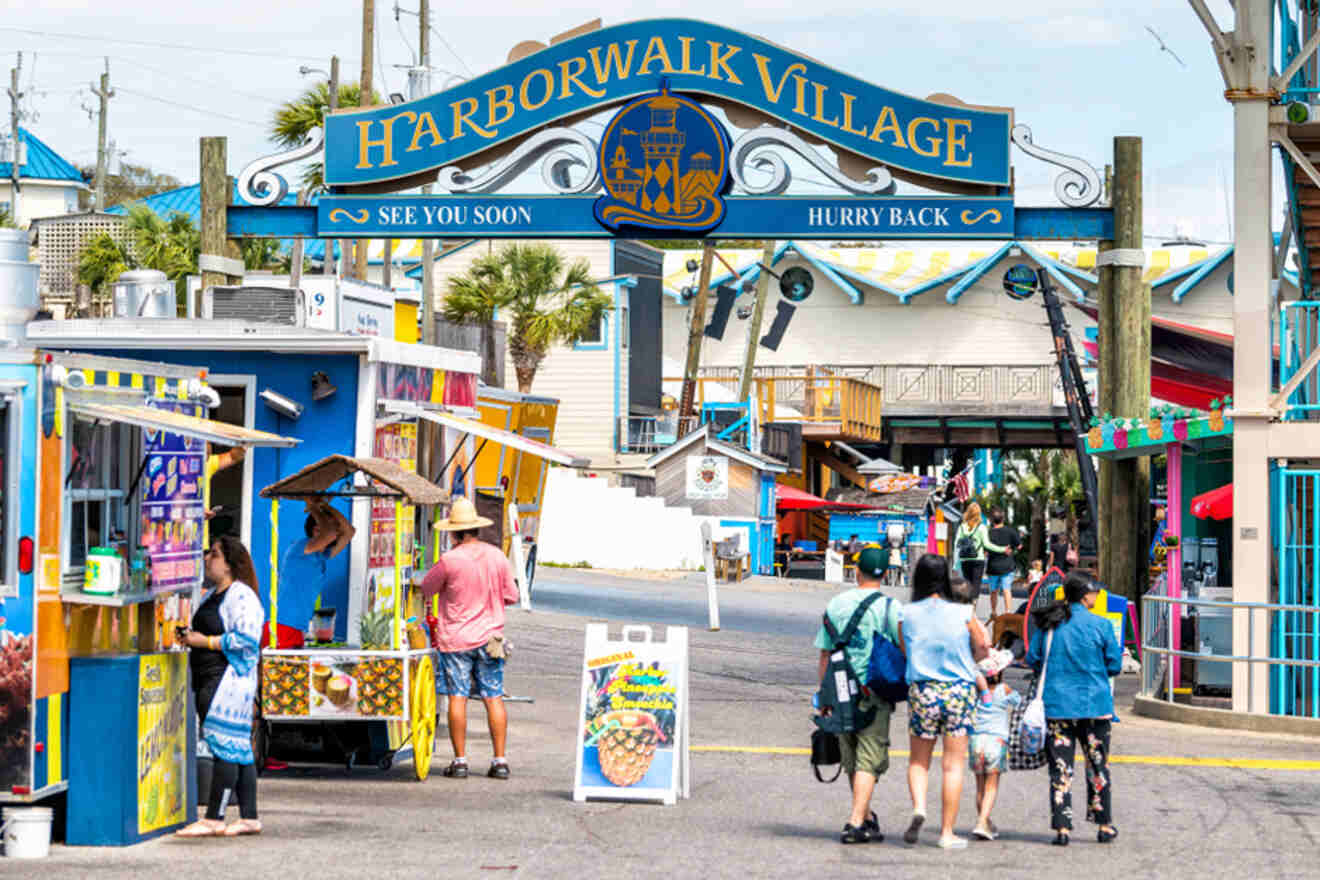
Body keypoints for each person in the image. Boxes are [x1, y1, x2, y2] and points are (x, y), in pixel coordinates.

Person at [420, 496, 520, 780]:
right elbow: (511, 595)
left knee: (458, 697)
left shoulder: (449, 560)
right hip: (491, 639)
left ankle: (460, 761)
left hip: (456, 640)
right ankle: (500, 761)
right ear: (476, 528)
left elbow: (427, 588)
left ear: (453, 532)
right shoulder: (497, 556)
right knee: (493, 697)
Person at [175, 536, 265, 837]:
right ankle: (249, 816)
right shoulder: (213, 594)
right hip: (210, 676)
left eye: (214, 554)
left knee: (224, 745)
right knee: (238, 747)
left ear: (229, 564)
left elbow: (248, 639)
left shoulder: (241, 595)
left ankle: (214, 816)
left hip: (225, 680)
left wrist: (205, 641)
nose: (207, 559)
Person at [899, 554, 990, 849]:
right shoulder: (964, 613)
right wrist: (970, 658)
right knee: (952, 766)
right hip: (959, 691)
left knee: (918, 761)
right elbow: (983, 647)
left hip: (923, 690)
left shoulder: (906, 613)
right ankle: (946, 832)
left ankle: (919, 807)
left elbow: (905, 650)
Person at [812, 546, 903, 844]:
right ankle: (854, 823)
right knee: (868, 758)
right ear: (885, 574)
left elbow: (825, 654)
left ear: (856, 571)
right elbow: (903, 649)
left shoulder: (835, 605)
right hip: (873, 691)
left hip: (838, 692)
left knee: (852, 758)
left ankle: (865, 817)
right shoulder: (890, 608)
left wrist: (823, 696)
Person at [1025, 570, 1123, 846]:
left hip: (1057, 706)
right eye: (1095, 591)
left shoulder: (1050, 625)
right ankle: (1104, 824)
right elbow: (1114, 665)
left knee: (1061, 767)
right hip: (1095, 706)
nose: (1098, 595)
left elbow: (1033, 659)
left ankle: (1062, 828)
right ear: (1084, 595)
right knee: (1098, 765)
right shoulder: (1101, 626)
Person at [969, 648, 1020, 841]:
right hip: (996, 741)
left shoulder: (974, 691)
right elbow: (1017, 700)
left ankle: (985, 822)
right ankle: (982, 822)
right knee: (991, 786)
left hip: (976, 741)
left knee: (980, 786)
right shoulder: (1003, 689)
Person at [953, 502, 1008, 602]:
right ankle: (973, 610)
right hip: (978, 559)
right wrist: (1002, 549)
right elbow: (987, 545)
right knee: (976, 584)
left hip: (965, 559)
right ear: (979, 513)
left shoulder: (962, 527)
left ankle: (967, 608)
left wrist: (955, 564)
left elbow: (956, 544)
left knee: (967, 584)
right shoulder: (982, 527)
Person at [984, 509, 1021, 620]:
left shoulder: (988, 533)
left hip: (993, 567)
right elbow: (1019, 546)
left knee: (993, 591)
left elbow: (985, 551)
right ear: (1003, 519)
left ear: (991, 520)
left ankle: (994, 612)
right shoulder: (1011, 531)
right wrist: (1011, 549)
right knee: (1006, 589)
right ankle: (1008, 612)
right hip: (1007, 565)